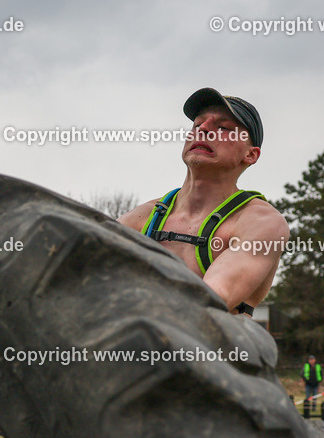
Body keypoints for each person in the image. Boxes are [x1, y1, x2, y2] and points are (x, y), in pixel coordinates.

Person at [118, 87, 289, 316]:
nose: (204, 129)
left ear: (251, 154)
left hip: (210, 351)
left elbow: (208, 301)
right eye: (197, 125)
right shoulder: (143, 217)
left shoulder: (262, 223)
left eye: (223, 128)